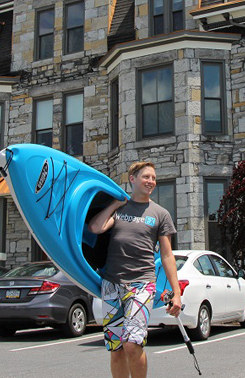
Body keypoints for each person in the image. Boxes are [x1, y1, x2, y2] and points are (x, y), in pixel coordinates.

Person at [88, 161, 183, 378]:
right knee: (116, 349)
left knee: (132, 343)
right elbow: (95, 228)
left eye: (153, 178)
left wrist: (176, 292)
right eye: (146, 177)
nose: (151, 181)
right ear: (133, 179)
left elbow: (167, 255)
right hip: (111, 284)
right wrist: (115, 204)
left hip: (142, 283)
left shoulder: (160, 214)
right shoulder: (119, 210)